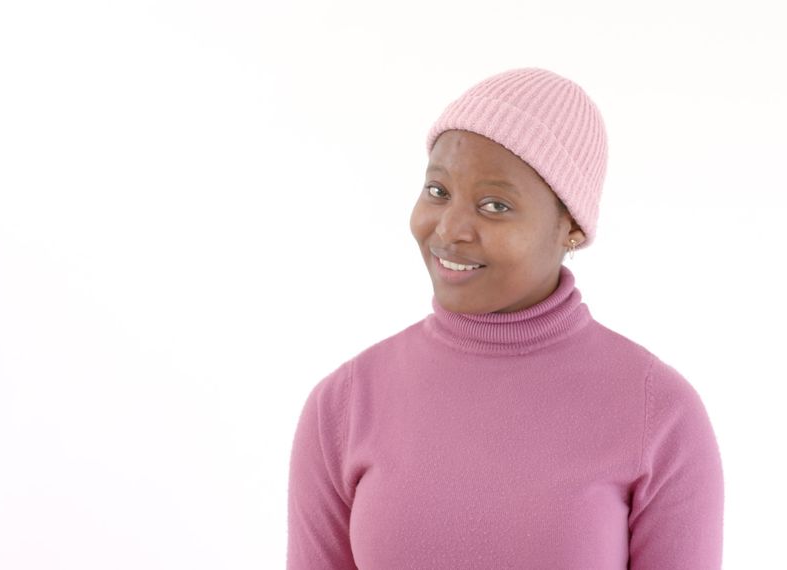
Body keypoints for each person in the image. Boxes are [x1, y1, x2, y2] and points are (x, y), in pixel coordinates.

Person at [287, 67, 724, 569]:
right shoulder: (344, 404)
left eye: (495, 205)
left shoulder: (660, 413)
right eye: (438, 191)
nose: (449, 230)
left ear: (573, 228)